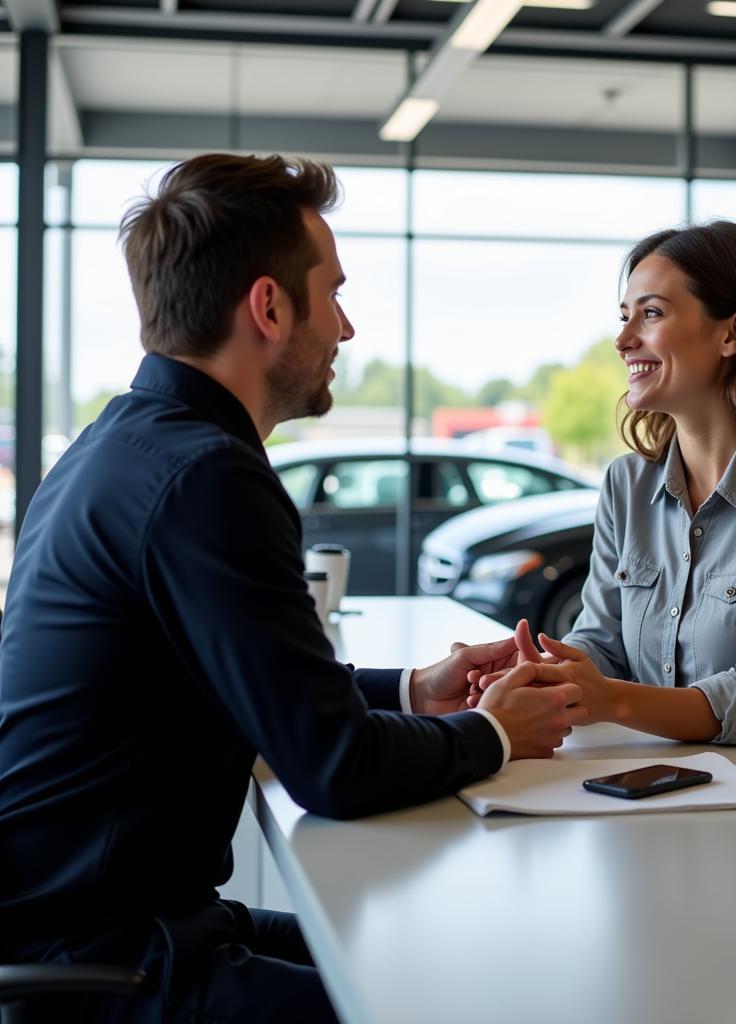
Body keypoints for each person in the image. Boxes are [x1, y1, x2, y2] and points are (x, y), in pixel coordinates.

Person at [0, 154, 585, 1024]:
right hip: (105, 964)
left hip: (102, 926)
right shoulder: (208, 478)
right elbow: (335, 769)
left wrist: (414, 691)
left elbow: (252, 683)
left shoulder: (115, 448)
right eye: (334, 293)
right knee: (463, 999)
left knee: (429, 955)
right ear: (269, 307)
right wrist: (495, 734)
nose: (347, 328)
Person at [472, 221, 736, 788]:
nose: (624, 339)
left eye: (650, 314)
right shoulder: (627, 484)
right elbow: (602, 642)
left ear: (733, 334)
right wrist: (542, 672)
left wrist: (610, 701)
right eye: (624, 316)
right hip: (646, 799)